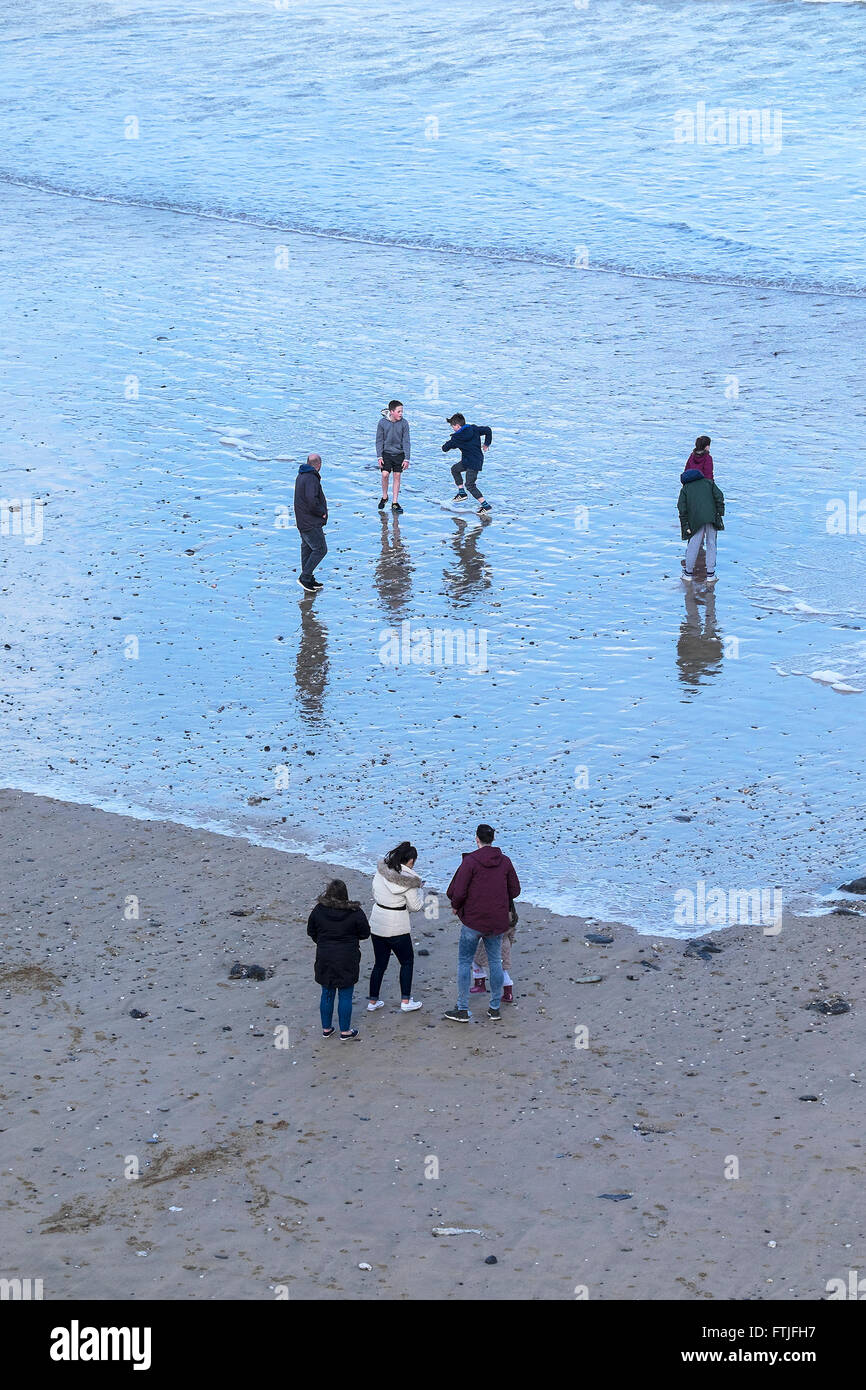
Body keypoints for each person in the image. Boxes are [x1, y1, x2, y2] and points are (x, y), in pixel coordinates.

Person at [444, 824, 521, 1022]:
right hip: (496, 920)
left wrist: (455, 905)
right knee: (495, 961)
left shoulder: (470, 861)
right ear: (492, 839)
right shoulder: (504, 862)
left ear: (476, 839)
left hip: (473, 919)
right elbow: (515, 890)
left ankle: (462, 1009)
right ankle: (494, 1007)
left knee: (464, 962)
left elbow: (459, 891)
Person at [306, 879, 370, 1039]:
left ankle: (326, 1028)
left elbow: (311, 931)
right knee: (345, 994)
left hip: (325, 955)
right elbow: (365, 933)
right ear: (345, 894)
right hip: (347, 957)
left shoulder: (319, 910)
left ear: (328, 893)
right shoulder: (355, 912)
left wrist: (322, 942)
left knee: (327, 992)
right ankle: (345, 1031)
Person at [367, 841, 424, 1012]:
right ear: (411, 861)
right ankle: (406, 1001)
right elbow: (415, 906)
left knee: (379, 964)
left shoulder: (381, 872)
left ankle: (372, 1001)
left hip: (377, 923)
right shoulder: (410, 882)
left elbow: (375, 892)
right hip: (397, 926)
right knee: (407, 962)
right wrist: (420, 889)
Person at [678, 465, 725, 584]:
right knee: (711, 543)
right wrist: (720, 512)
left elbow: (681, 508)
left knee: (693, 545)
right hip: (712, 517)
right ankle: (710, 575)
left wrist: (685, 525)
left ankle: (688, 574)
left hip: (695, 520)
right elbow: (719, 496)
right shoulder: (709, 483)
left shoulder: (685, 489)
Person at [442, 413, 493, 513]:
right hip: (474, 460)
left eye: (452, 426)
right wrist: (486, 443)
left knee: (470, 485)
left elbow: (445, 448)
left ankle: (485, 506)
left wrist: (448, 444)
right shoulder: (473, 429)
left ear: (457, 426)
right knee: (455, 469)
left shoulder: (457, 438)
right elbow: (488, 430)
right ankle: (462, 493)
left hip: (472, 463)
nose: (452, 429)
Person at [294, 453, 328, 593]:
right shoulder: (312, 478)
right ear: (319, 465)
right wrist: (321, 512)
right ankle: (305, 576)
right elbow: (311, 500)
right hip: (310, 522)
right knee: (320, 549)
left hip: (302, 520)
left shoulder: (301, 475)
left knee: (307, 548)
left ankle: (308, 579)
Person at [471, 902, 517, 1003]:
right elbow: (511, 936)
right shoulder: (513, 918)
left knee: (475, 960)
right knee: (502, 969)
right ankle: (508, 993)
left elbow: (486, 929)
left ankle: (479, 983)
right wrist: (509, 946)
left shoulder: (496, 915)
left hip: (490, 942)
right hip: (505, 944)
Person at [376, 400, 411, 514]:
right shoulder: (382, 423)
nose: (401, 414)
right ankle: (385, 496)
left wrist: (407, 458)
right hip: (386, 453)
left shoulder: (404, 423)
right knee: (385, 474)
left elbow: (406, 441)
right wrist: (379, 456)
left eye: (402, 411)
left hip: (399, 454)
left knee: (397, 476)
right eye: (399, 411)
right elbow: (379, 441)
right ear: (391, 412)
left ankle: (395, 502)